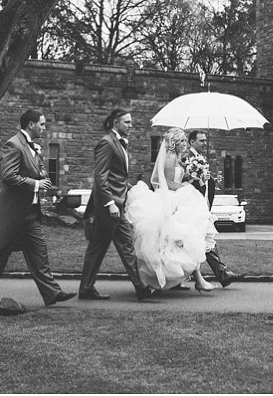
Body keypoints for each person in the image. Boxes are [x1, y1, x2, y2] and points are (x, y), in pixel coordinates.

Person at [0, 109, 75, 309]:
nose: (44, 128)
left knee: (40, 254)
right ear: (31, 124)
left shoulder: (33, 148)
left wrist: (42, 171)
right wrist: (36, 184)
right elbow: (8, 175)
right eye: (42, 124)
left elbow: (36, 170)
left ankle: (52, 293)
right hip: (12, 215)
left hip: (31, 215)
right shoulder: (13, 144)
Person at [126, 127, 219, 292]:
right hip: (169, 200)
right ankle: (194, 280)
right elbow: (167, 183)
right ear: (174, 142)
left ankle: (193, 280)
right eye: (181, 141)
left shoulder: (177, 158)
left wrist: (192, 177)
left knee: (183, 241)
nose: (184, 144)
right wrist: (186, 186)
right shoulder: (169, 158)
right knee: (173, 242)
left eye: (184, 140)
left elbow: (175, 178)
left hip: (175, 198)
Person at [78, 108, 156, 301]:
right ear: (116, 123)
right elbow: (100, 177)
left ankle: (86, 288)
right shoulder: (107, 143)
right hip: (110, 207)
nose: (131, 125)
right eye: (127, 122)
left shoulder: (119, 144)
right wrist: (111, 203)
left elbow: (117, 178)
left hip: (114, 203)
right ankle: (141, 288)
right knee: (125, 246)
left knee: (98, 248)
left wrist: (134, 189)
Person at [186, 130, 245, 287]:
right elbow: (186, 184)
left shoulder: (200, 160)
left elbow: (204, 185)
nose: (205, 143)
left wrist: (210, 179)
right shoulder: (188, 159)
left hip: (202, 206)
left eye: (206, 141)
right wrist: (197, 179)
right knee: (198, 241)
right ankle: (219, 274)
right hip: (192, 207)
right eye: (201, 141)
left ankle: (222, 274)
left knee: (206, 240)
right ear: (192, 142)